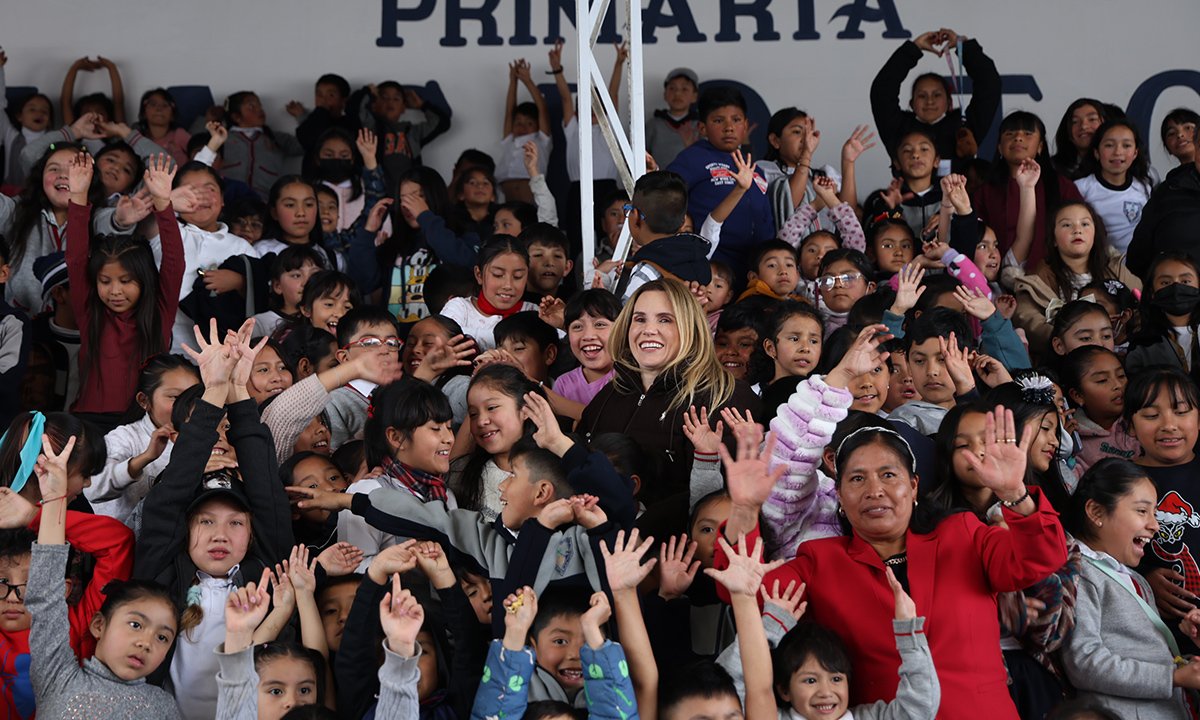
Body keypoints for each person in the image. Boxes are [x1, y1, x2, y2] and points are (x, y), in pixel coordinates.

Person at [717, 404, 1067, 716]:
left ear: (914, 486)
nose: (875, 490)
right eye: (857, 479)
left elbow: (1039, 559)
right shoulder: (820, 561)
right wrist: (745, 510)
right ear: (838, 494)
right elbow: (744, 588)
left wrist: (1014, 494)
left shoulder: (963, 534)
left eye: (888, 475)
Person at [27, 434, 183, 719]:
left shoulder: (164, 707)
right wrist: (53, 499)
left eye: (163, 637)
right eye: (136, 624)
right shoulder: (57, 675)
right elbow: (45, 595)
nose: (146, 642)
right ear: (98, 625)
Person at [579, 277, 760, 521]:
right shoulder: (610, 393)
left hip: (673, 552)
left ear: (690, 326)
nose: (648, 329)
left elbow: (722, 505)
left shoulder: (726, 395)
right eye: (640, 319)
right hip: (599, 542)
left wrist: (640, 533)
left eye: (665, 319)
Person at [1061, 459, 1199, 718]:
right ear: (1096, 512)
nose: (1155, 525)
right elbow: (1083, 662)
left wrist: (1187, 666)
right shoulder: (1080, 573)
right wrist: (1173, 676)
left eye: (1154, 514)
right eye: (1141, 511)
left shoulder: (1138, 580)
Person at [65, 152, 184, 430]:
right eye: (105, 281)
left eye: (126, 280)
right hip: (89, 424)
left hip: (144, 425)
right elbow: (76, 260)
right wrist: (79, 195)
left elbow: (174, 264)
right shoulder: (90, 310)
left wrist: (163, 203)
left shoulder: (159, 313)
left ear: (144, 281)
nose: (114, 291)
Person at [667, 87, 774, 279]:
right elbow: (665, 199)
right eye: (718, 120)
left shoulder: (755, 169)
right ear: (702, 128)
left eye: (736, 119)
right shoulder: (693, 158)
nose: (729, 127)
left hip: (755, 270)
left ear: (746, 124)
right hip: (711, 267)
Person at [870, 27, 1000, 172]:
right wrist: (913, 49)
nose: (929, 101)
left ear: (949, 102)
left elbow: (989, 84)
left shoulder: (964, 127)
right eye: (922, 96)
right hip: (907, 195)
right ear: (912, 104)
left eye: (937, 95)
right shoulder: (898, 128)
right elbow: (881, 91)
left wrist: (965, 47)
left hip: (961, 194)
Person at [1073, 119, 1154, 254]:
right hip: (1100, 264)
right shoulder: (1081, 188)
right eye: (1109, 145)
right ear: (1096, 152)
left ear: (1135, 153)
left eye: (1126, 145)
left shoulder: (1144, 187)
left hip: (1140, 266)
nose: (1118, 152)